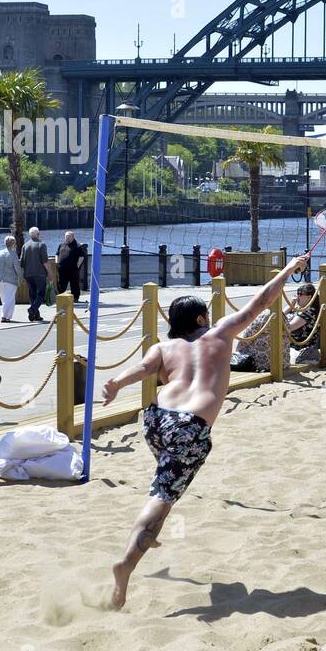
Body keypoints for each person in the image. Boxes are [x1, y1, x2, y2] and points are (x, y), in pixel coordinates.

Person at [102, 253, 309, 610]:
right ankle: (127, 562)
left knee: (166, 478)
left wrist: (116, 384)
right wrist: (290, 269)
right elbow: (262, 301)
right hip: (189, 427)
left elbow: (142, 367)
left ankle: (149, 529)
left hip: (154, 420)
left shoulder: (164, 346)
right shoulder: (219, 333)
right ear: (200, 319)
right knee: (162, 498)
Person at [20, 226, 50, 322]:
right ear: (38, 234)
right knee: (41, 294)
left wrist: (22, 275)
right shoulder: (42, 245)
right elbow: (45, 261)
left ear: (29, 235)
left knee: (32, 294)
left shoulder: (25, 246)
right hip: (40, 273)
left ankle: (36, 315)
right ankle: (33, 309)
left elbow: (22, 262)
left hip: (28, 274)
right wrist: (50, 273)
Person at [287, 282, 322, 364]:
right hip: (293, 344)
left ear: (309, 297)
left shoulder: (309, 311)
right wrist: (290, 306)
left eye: (300, 294)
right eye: (297, 293)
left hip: (300, 347)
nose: (297, 296)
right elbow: (279, 317)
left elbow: (288, 327)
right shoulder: (300, 309)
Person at [0, 235, 24, 323]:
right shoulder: (13, 254)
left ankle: (7, 316)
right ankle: (4, 316)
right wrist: (20, 278)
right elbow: (17, 268)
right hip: (10, 280)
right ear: (13, 244)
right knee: (9, 299)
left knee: (4, 299)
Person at [55, 230, 84, 301]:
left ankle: (75, 298)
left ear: (73, 237)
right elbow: (57, 254)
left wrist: (78, 265)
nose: (67, 238)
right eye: (66, 237)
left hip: (72, 268)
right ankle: (61, 296)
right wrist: (57, 262)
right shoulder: (61, 245)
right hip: (62, 268)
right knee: (61, 283)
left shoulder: (77, 245)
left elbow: (81, 256)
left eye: (69, 237)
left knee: (74, 283)